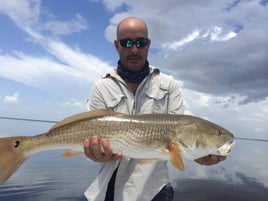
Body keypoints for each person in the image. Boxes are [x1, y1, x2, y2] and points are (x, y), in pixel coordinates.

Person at [83, 17, 226, 201]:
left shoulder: (168, 85)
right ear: (117, 45)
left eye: (140, 42)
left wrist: (199, 154)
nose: (134, 49)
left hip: (155, 190)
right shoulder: (100, 87)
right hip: (109, 190)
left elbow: (179, 138)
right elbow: (89, 137)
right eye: (127, 43)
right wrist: (95, 155)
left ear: (148, 44)